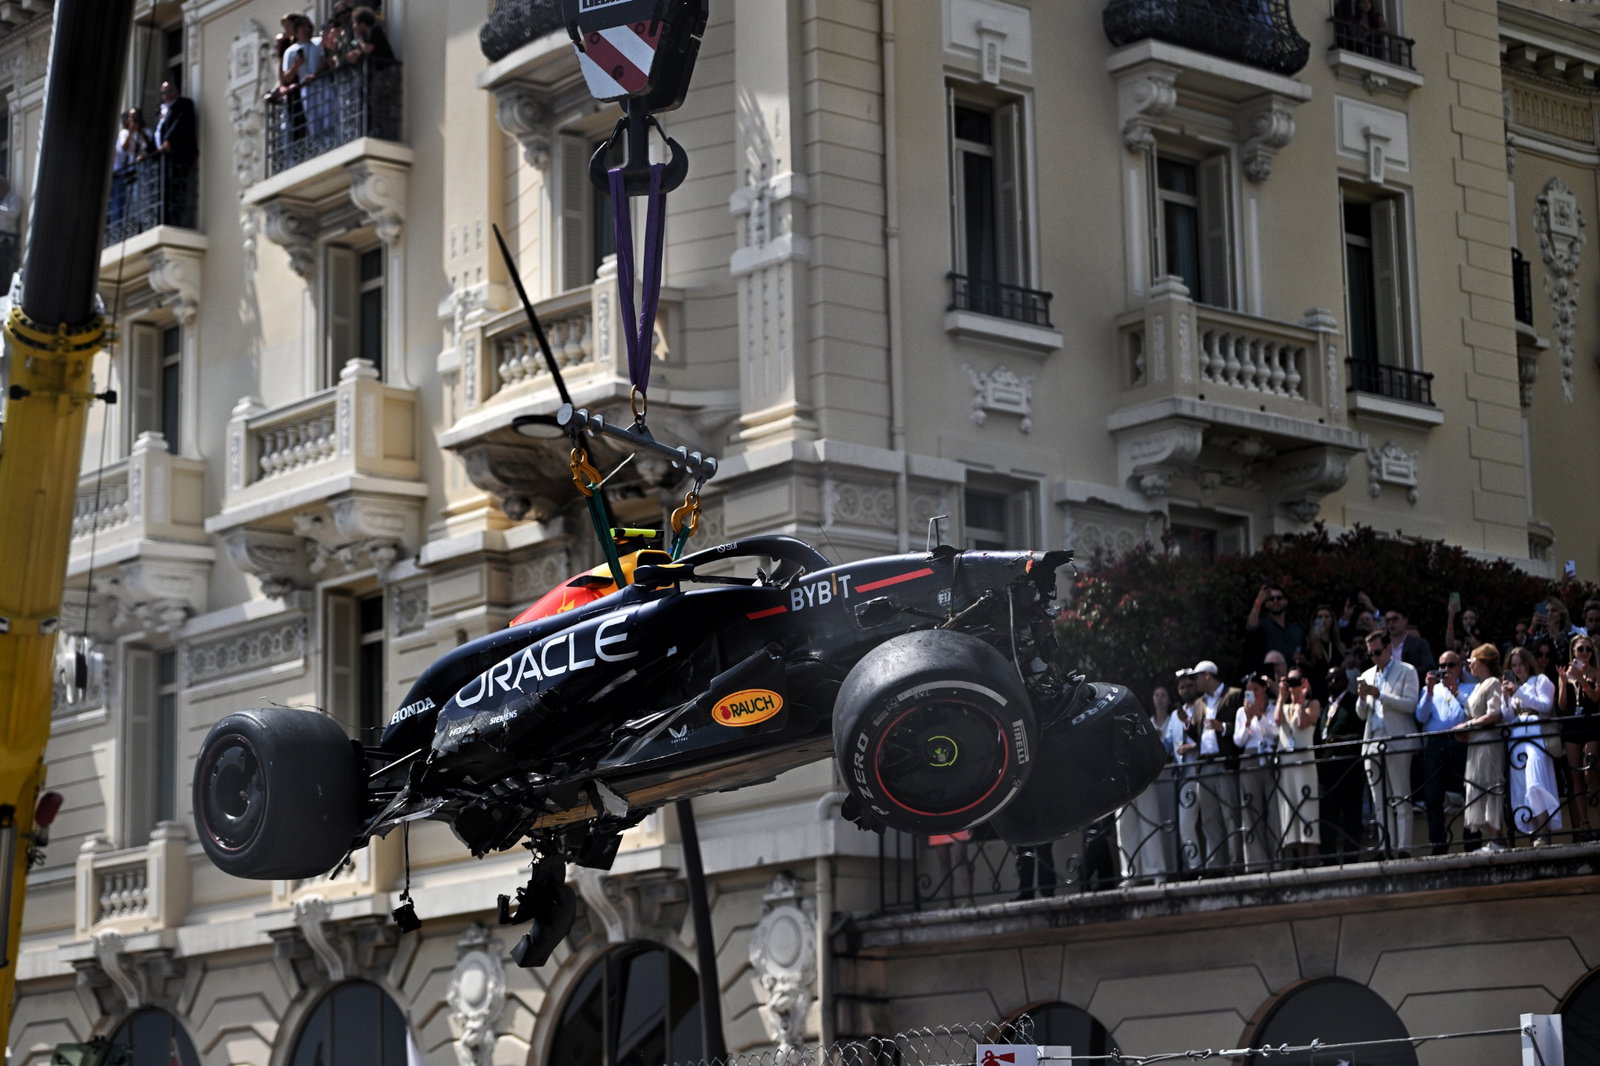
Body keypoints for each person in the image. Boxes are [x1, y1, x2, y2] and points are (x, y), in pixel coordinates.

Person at [1356, 629, 1420, 858]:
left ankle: (1403, 848)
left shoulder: (1407, 671)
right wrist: (1363, 698)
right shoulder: (1367, 674)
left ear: (1389, 649)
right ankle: (1385, 848)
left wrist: (1380, 694)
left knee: (1401, 796)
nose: (1374, 657)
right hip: (1372, 741)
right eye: (1370, 654)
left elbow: (1411, 704)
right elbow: (1362, 714)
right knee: (1379, 802)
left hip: (1397, 738)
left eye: (1378, 652)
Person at [1184, 660, 1243, 873]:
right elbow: (1200, 735)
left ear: (1208, 675)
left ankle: (1237, 862)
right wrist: (1188, 726)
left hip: (1224, 761)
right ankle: (1217, 864)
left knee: (1230, 813)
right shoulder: (1200, 703)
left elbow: (1244, 725)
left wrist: (1223, 727)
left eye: (1197, 677)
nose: (1195, 682)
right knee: (1209, 818)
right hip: (1205, 764)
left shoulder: (1234, 695)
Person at [1116, 684, 1176, 884]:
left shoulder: (1144, 726)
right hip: (1123, 783)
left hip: (1144, 780)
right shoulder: (1112, 727)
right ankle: (1130, 873)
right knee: (1125, 826)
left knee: (1150, 823)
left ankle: (1156, 871)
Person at [1415, 650, 1474, 855]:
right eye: (1442, 666)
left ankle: (1472, 841)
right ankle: (1438, 844)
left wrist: (1456, 690)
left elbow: (1473, 711)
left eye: (1450, 665)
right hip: (1435, 744)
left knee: (1469, 792)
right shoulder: (1429, 690)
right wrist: (1430, 691)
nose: (1445, 670)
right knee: (1433, 796)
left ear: (1459, 668)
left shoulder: (1470, 688)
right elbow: (1421, 716)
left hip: (1461, 743)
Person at [1504, 646, 1562, 843]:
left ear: (1529, 663)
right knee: (1521, 785)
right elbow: (1508, 717)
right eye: (1514, 665)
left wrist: (1519, 692)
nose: (1519, 669)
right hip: (1517, 739)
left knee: (1536, 780)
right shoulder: (1514, 687)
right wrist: (1506, 697)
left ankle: (1544, 831)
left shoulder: (1541, 680)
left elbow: (1545, 706)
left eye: (1521, 663)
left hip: (1537, 736)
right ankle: (1534, 831)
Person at [1458, 644, 1510, 851]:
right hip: (1476, 743)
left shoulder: (1492, 683)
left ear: (1482, 660)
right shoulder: (1478, 685)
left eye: (1471, 659)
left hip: (1489, 743)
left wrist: (1468, 725)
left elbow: (1494, 713)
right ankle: (1494, 839)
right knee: (1477, 787)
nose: (1469, 663)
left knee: (1489, 786)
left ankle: (1498, 839)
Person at [1317, 664, 1365, 860]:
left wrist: (1340, 741)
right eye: (1329, 680)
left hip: (1349, 769)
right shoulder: (1325, 707)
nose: (1333, 683)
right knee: (1328, 815)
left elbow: (1361, 734)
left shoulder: (1353, 703)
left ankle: (1352, 856)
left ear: (1346, 681)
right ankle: (1327, 857)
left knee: (1351, 815)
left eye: (1337, 679)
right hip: (1328, 771)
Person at [1273, 669, 1321, 864]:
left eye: (1296, 681)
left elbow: (1302, 723)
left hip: (1305, 764)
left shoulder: (1313, 704)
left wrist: (1301, 697)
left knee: (1307, 808)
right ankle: (1299, 857)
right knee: (1291, 808)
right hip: (1287, 765)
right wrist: (1281, 695)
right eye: (1290, 682)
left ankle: (1312, 857)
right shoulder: (1285, 707)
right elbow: (1277, 720)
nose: (1293, 685)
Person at [1558, 633, 1600, 840]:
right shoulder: (1566, 671)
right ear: (1573, 652)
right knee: (1575, 777)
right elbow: (1562, 705)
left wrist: (1582, 678)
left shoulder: (1596, 672)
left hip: (1591, 726)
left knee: (1589, 769)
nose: (1584, 652)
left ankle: (1595, 795)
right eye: (1580, 649)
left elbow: (1595, 696)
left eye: (1588, 649)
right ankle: (1584, 824)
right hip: (1572, 728)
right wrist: (1564, 682)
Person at [1234, 672, 1277, 871]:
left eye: (1256, 690)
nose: (1252, 695)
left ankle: (1278, 858)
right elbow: (1238, 741)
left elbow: (1276, 733)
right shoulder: (1241, 712)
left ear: (1264, 689)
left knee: (1274, 809)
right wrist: (1248, 721)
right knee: (1251, 811)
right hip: (1250, 759)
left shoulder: (1274, 707)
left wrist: (1260, 715)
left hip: (1270, 760)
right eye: (1248, 692)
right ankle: (1257, 861)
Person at [152, 81, 197, 226]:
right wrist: (146, 151)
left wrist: (168, 140)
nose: (166, 95)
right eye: (163, 93)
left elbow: (180, 122)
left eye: (169, 91)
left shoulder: (184, 104)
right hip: (162, 158)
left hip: (178, 155)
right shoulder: (162, 110)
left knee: (176, 189)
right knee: (163, 190)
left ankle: (175, 220)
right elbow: (157, 132)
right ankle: (162, 220)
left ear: (176, 91)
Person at [110, 108, 154, 228]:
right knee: (128, 201)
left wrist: (139, 131)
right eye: (131, 117)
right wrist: (130, 132)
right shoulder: (124, 133)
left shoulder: (146, 132)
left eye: (136, 116)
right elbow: (124, 148)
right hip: (129, 170)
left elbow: (150, 145)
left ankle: (144, 223)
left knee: (143, 197)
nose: (134, 119)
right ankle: (127, 226)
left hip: (144, 169)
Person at [1247, 583, 1303, 664]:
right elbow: (1251, 626)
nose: (1275, 601)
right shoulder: (1263, 626)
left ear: (1286, 601)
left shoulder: (1296, 631)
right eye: (1271, 599)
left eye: (1279, 598)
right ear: (1266, 604)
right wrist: (1259, 600)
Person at [1383, 607, 1434, 678]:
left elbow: (1429, 667)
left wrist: (1407, 673)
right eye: (1388, 621)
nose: (1391, 623)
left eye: (1395, 619)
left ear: (1405, 620)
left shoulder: (1419, 643)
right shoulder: (1382, 645)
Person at [0, 174, 19, 283]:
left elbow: (13, 213)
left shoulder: (14, 199)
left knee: (3, 268)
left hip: (7, 240)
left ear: (3, 187)